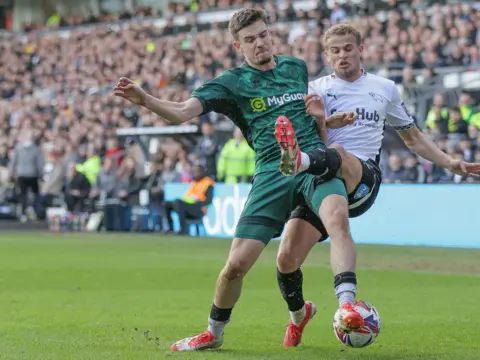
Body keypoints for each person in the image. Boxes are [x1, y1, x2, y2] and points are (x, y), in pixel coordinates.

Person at [113, 8, 361, 352]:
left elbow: (313, 121)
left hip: (311, 164)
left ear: (270, 34)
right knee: (235, 267)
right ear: (237, 45)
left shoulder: (296, 68)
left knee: (338, 220)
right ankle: (215, 333)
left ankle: (347, 303)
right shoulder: (231, 83)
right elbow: (184, 111)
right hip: (272, 174)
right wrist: (146, 100)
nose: (259, 43)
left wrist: (324, 123)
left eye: (263, 35)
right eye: (250, 39)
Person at [273, 23, 480, 347]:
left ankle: (347, 304)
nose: (342, 55)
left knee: (340, 154)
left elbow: (412, 137)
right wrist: (321, 120)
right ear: (327, 54)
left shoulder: (384, 88)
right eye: (335, 50)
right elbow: (312, 139)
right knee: (286, 259)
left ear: (361, 49)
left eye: (348, 48)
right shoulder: (315, 89)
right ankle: (299, 315)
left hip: (362, 178)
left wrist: (450, 162)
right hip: (321, 181)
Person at [163, 165, 215, 235]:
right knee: (167, 204)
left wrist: (198, 201)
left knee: (178, 202)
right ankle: (170, 228)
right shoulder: (194, 182)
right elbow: (188, 197)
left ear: (202, 172)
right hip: (187, 206)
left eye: (197, 172)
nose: (195, 174)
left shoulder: (208, 183)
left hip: (198, 209)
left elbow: (209, 200)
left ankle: (183, 230)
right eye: (194, 172)